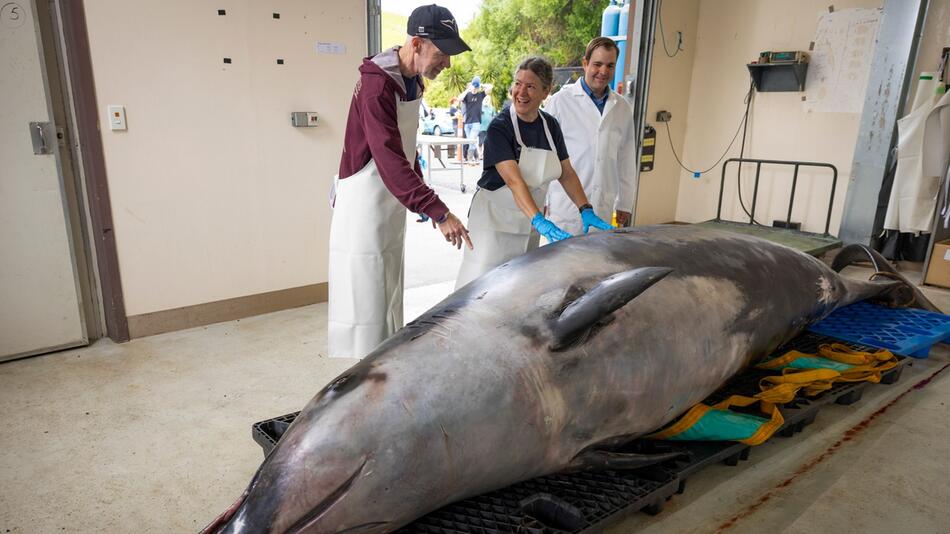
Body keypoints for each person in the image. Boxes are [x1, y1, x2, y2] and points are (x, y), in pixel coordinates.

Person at [329, 4, 473, 359]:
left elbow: (405, 151)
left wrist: (419, 192)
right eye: (442, 54)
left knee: (388, 292)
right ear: (416, 44)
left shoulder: (411, 81)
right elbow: (389, 158)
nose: (448, 64)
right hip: (364, 205)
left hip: (387, 201)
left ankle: (383, 369)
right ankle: (364, 383)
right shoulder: (378, 85)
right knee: (366, 302)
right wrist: (438, 211)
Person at [455, 56, 613, 289]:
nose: (521, 92)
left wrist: (585, 209)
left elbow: (566, 172)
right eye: (518, 84)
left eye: (530, 86)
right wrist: (540, 221)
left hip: (528, 224)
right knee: (480, 289)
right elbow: (514, 181)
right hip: (494, 222)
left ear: (546, 91)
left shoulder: (550, 126)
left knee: (517, 289)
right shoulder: (500, 127)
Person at [544, 37, 638, 231]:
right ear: (585, 63)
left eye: (610, 65)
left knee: (597, 260)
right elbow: (545, 155)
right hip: (565, 208)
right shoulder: (560, 102)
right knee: (561, 260)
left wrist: (625, 202)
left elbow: (626, 158)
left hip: (602, 206)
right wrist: (542, 200)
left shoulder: (622, 107)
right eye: (597, 64)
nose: (603, 71)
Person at [461, 76, 487, 163]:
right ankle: (475, 158)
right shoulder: (467, 95)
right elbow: (459, 98)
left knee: (472, 141)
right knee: (470, 142)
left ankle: (470, 159)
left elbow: (490, 87)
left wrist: (482, 85)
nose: (475, 89)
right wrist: (468, 89)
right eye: (474, 86)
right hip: (467, 123)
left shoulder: (481, 95)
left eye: (477, 87)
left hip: (476, 122)